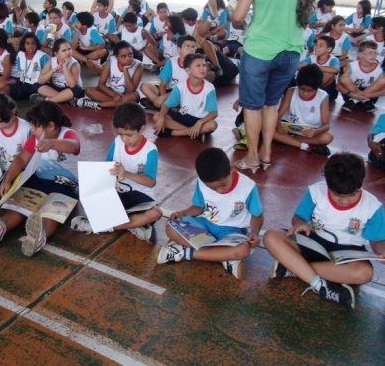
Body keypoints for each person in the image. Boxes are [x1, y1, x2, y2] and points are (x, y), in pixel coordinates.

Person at [232, 0, 317, 173]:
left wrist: (240, 24)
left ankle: (252, 157)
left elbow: (238, 16)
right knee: (271, 104)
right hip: (291, 52)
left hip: (260, 51)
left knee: (252, 106)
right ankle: (266, 152)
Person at [263, 153, 385, 309]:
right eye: (337, 195)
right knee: (271, 236)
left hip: (347, 254)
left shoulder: (372, 207)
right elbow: (299, 217)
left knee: (364, 274)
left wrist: (382, 250)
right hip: (314, 243)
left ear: (361, 183)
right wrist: (299, 223)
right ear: (328, 184)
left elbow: (376, 240)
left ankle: (295, 267)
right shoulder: (316, 191)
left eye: (351, 195)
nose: (344, 201)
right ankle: (319, 283)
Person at [0, 101, 80, 256]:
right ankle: (0, 227)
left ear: (51, 126)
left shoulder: (68, 133)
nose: (32, 130)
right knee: (21, 205)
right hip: (39, 178)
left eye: (35, 126)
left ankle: (39, 236)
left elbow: (73, 145)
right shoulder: (34, 138)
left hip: (66, 183)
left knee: (51, 212)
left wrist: (51, 143)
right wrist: (8, 179)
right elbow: (21, 159)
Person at [156, 148, 263, 280]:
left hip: (232, 232)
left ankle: (183, 252)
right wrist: (182, 213)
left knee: (243, 250)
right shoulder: (202, 182)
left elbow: (257, 215)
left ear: (232, 169)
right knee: (171, 228)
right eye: (212, 188)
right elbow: (199, 207)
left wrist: (255, 233)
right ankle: (224, 257)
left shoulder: (248, 187)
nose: (219, 191)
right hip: (205, 225)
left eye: (223, 185)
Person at [69, 102, 163, 243]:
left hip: (140, 198)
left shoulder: (150, 150)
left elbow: (150, 182)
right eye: (121, 134)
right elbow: (107, 166)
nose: (124, 139)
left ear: (142, 129)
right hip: (118, 193)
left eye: (129, 135)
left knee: (155, 213)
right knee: (84, 199)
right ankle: (134, 225)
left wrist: (126, 173)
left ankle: (101, 226)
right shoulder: (118, 142)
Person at [152, 53, 218, 142]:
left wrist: (200, 122)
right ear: (188, 70)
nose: (202, 68)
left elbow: (214, 113)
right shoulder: (181, 86)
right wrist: (162, 118)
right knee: (157, 117)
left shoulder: (209, 88)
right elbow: (166, 105)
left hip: (200, 119)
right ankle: (193, 133)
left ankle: (175, 133)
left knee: (212, 125)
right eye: (198, 66)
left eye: (204, 65)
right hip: (183, 115)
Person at [272, 64, 333, 156]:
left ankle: (287, 141)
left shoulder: (323, 96)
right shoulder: (291, 91)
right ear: (298, 84)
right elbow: (278, 115)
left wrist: (315, 132)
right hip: (289, 129)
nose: (305, 93)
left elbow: (326, 124)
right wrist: (279, 126)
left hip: (309, 132)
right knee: (268, 128)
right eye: (302, 89)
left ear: (317, 88)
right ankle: (305, 146)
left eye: (309, 90)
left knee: (327, 137)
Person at [78, 41, 142, 110]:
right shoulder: (111, 61)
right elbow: (101, 84)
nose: (128, 59)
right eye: (123, 56)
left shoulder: (138, 65)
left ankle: (99, 105)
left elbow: (131, 90)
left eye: (130, 55)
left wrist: (125, 70)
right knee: (89, 90)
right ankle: (118, 104)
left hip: (127, 94)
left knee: (134, 97)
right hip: (112, 92)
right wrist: (115, 95)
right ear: (117, 57)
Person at [139, 35, 196, 110]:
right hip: (169, 91)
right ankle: (166, 106)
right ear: (179, 49)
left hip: (184, 93)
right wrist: (164, 98)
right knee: (144, 86)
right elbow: (163, 85)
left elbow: (189, 89)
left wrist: (163, 97)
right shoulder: (172, 62)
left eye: (193, 47)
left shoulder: (197, 64)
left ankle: (161, 106)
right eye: (187, 47)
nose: (191, 50)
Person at [31, 38, 84, 105]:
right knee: (36, 85)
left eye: (69, 49)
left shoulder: (74, 64)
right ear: (56, 53)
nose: (68, 52)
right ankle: (65, 99)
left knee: (78, 90)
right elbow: (40, 81)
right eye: (64, 50)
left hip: (70, 89)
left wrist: (65, 67)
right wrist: (53, 71)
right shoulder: (51, 61)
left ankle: (47, 101)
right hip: (56, 89)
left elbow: (72, 85)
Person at [337, 40, 384, 113]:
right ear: (360, 55)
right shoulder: (352, 66)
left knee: (383, 80)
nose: (373, 55)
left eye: (375, 53)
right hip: (351, 93)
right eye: (370, 53)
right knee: (344, 78)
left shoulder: (379, 69)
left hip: (370, 97)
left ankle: (355, 100)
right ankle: (358, 99)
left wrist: (367, 95)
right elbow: (338, 86)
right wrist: (351, 94)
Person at [9, 32, 48, 101]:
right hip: (24, 81)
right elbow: (21, 71)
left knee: (16, 92)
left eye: (33, 43)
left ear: (36, 45)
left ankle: (39, 95)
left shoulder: (42, 56)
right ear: (24, 45)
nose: (30, 46)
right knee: (12, 89)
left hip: (37, 83)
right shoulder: (20, 55)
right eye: (27, 44)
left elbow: (46, 75)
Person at [298, 34, 339, 100]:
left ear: (329, 49)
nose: (317, 47)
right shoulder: (312, 57)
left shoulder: (333, 59)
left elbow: (335, 69)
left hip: (327, 89)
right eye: (316, 45)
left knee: (330, 73)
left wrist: (313, 67)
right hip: (312, 85)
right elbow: (299, 65)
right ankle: (310, 90)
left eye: (321, 46)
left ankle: (316, 91)